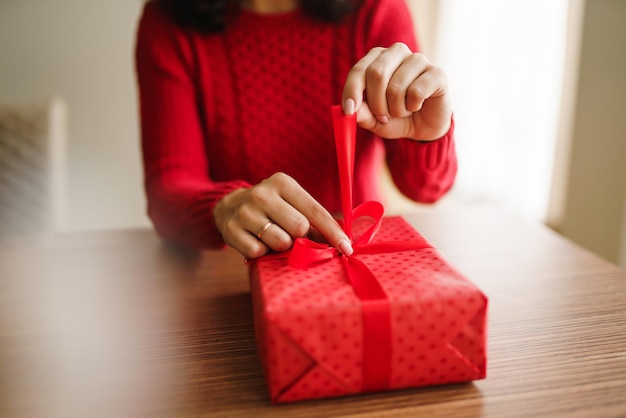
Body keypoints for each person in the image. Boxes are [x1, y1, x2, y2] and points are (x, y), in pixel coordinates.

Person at [135, 0, 456, 259]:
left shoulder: (375, 8)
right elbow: (167, 191)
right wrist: (224, 206)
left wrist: (426, 133)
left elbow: (425, 189)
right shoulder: (168, 19)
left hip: (360, 258)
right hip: (236, 270)